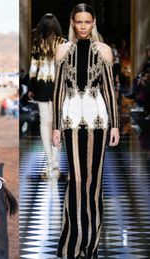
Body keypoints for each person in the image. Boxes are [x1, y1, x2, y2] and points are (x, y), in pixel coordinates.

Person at [52, 4, 119, 258]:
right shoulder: (62, 51)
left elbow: (110, 90)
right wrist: (55, 127)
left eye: (87, 22)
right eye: (79, 22)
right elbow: (58, 90)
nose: (83, 26)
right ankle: (72, 243)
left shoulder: (104, 51)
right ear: (72, 22)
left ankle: (90, 245)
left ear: (93, 23)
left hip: (99, 120)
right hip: (70, 120)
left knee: (94, 182)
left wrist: (114, 124)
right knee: (77, 180)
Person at [28, 13, 66, 177]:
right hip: (60, 86)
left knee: (45, 122)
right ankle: (55, 163)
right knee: (57, 123)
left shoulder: (37, 42)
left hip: (42, 85)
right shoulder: (63, 43)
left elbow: (33, 67)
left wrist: (31, 87)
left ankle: (51, 163)